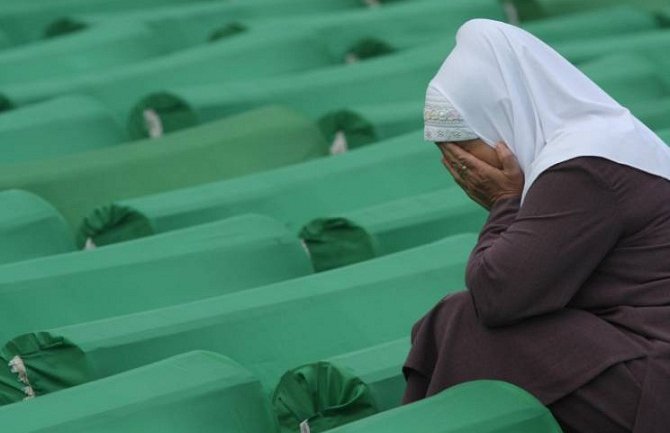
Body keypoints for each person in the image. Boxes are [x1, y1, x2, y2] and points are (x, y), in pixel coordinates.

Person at [403, 19, 670, 433]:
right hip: (642, 359)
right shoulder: (598, 142)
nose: (459, 171)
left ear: (501, 122)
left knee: (461, 321)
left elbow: (498, 294)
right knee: (454, 318)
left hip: (655, 381)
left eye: (464, 152)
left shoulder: (583, 169)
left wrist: (503, 203)